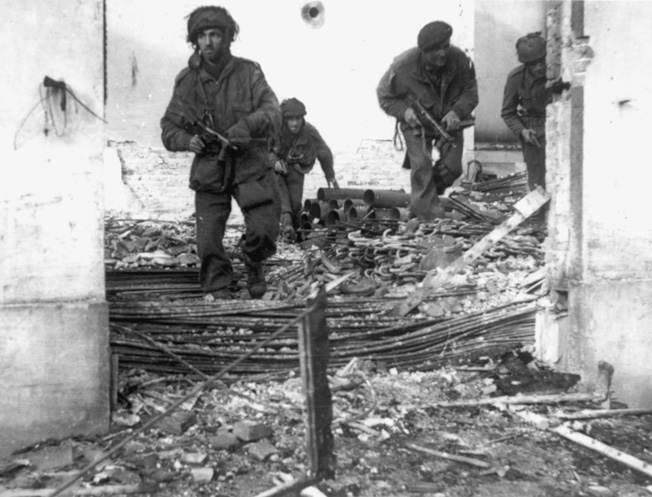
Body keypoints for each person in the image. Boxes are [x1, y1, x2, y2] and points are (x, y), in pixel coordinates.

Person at [161, 6, 282, 300]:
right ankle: (218, 288)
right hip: (210, 166)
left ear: (228, 38)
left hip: (249, 162)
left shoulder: (248, 73)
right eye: (202, 36)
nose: (208, 42)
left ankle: (253, 260)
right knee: (208, 239)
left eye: (215, 34)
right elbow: (168, 127)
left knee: (265, 231)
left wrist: (247, 125)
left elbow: (272, 111)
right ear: (194, 41)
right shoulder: (186, 82)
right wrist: (187, 140)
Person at [377, 20, 478, 221]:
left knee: (453, 168)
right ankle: (429, 220)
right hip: (416, 124)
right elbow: (384, 96)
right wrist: (404, 112)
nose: (442, 53)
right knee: (422, 167)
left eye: (445, 46)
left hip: (450, 123)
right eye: (436, 49)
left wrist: (456, 112)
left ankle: (420, 201)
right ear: (423, 51)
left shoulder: (459, 60)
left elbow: (471, 93)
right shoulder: (403, 65)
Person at [270, 98, 338, 242]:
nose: (294, 123)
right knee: (282, 197)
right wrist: (274, 161)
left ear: (302, 118)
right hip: (277, 169)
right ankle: (287, 226)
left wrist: (330, 175)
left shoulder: (310, 132)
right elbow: (264, 150)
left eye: (298, 118)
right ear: (285, 119)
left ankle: (295, 228)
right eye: (291, 119)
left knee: (295, 204)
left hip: (296, 167)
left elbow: (324, 152)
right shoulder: (275, 130)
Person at [501, 32, 551, 191]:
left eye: (541, 60)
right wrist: (523, 131)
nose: (539, 67)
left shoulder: (559, 70)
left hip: (556, 124)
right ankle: (539, 214)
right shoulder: (516, 78)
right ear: (526, 64)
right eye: (532, 63)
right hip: (533, 131)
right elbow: (508, 113)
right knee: (536, 178)